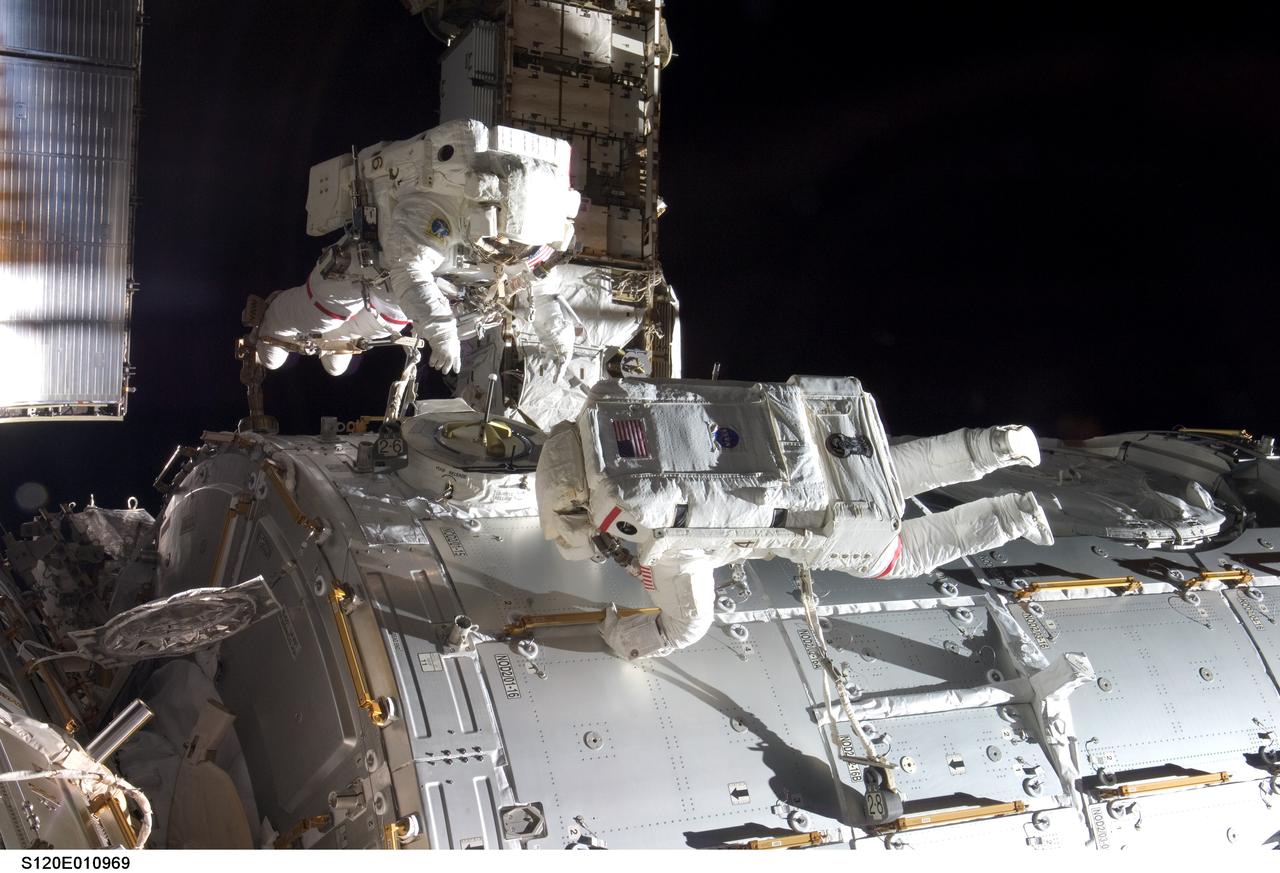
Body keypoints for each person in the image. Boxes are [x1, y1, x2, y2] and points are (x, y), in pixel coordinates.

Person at [536, 377, 1055, 660]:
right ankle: (996, 443)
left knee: (901, 555)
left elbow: (689, 624)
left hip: (816, 513)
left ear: (595, 527)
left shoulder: (664, 550)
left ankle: (1012, 515)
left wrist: (630, 641)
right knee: (887, 471)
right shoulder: (609, 415)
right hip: (812, 437)